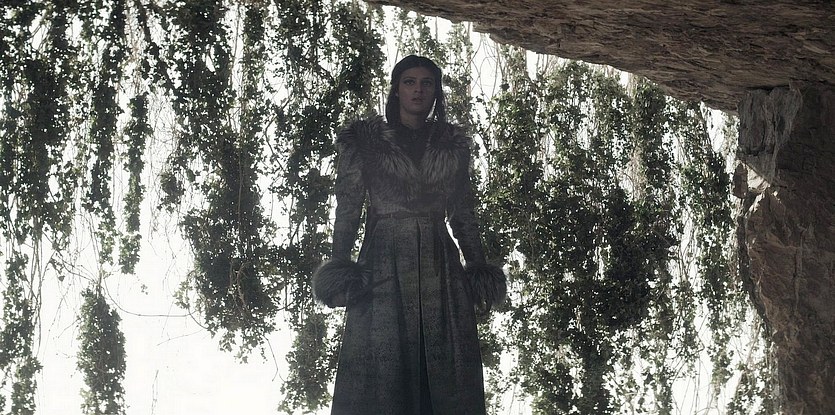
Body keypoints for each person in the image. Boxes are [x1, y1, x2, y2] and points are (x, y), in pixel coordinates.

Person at [312, 55, 506, 415]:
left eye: (427, 83)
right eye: (410, 82)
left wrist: (478, 271)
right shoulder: (365, 141)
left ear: (436, 92)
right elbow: (348, 207)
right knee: (380, 367)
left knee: (445, 368)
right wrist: (340, 269)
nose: (418, 90)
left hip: (439, 263)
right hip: (383, 260)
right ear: (396, 90)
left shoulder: (451, 145)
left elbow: (463, 213)